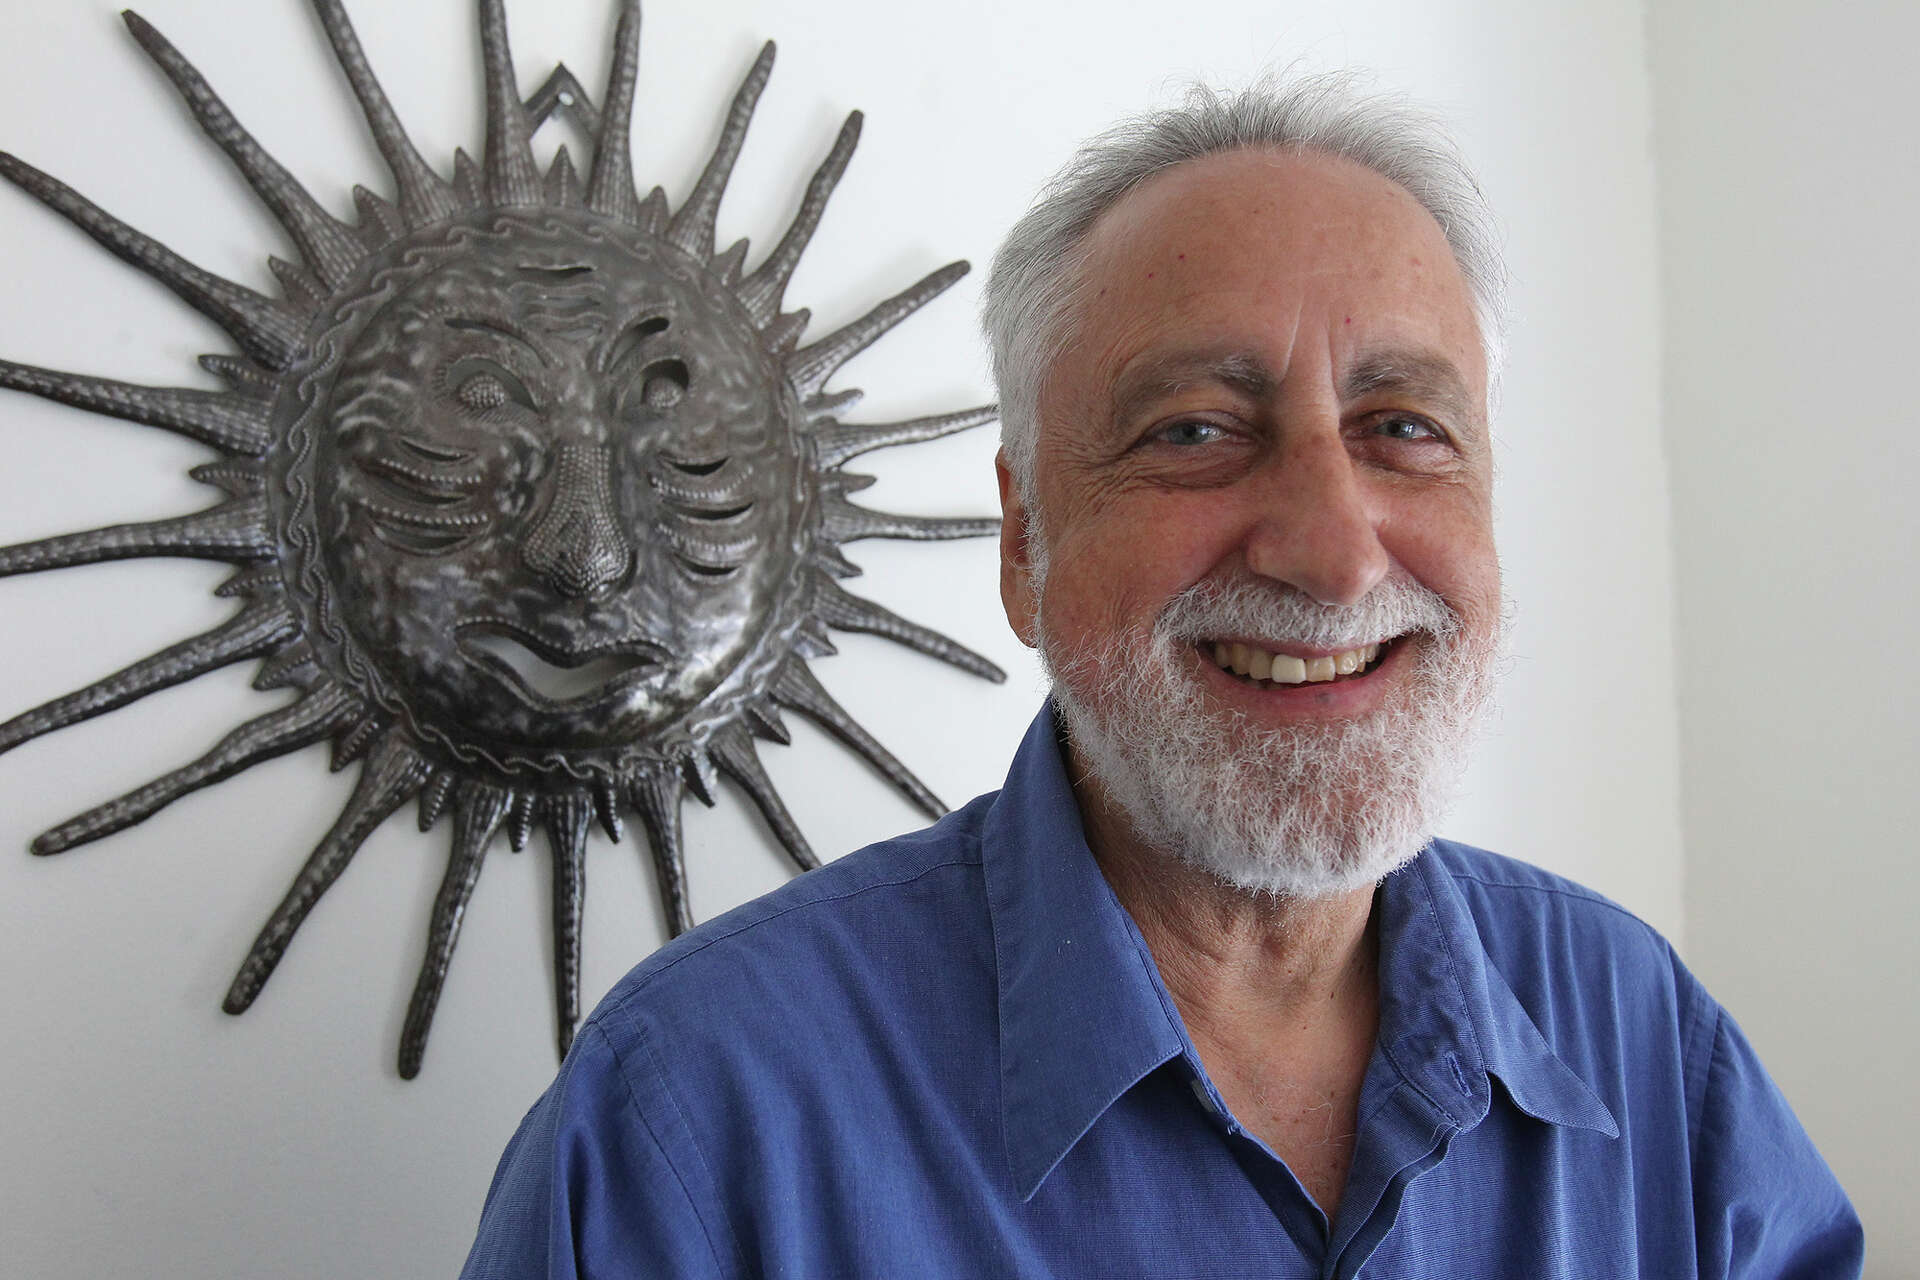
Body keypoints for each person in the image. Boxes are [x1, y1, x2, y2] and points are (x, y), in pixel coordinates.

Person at [461, 75, 1863, 1278]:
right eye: (1195, 430)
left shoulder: (1642, 1042)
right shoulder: (702, 1117)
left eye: (1405, 427)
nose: (1329, 552)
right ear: (1025, 544)